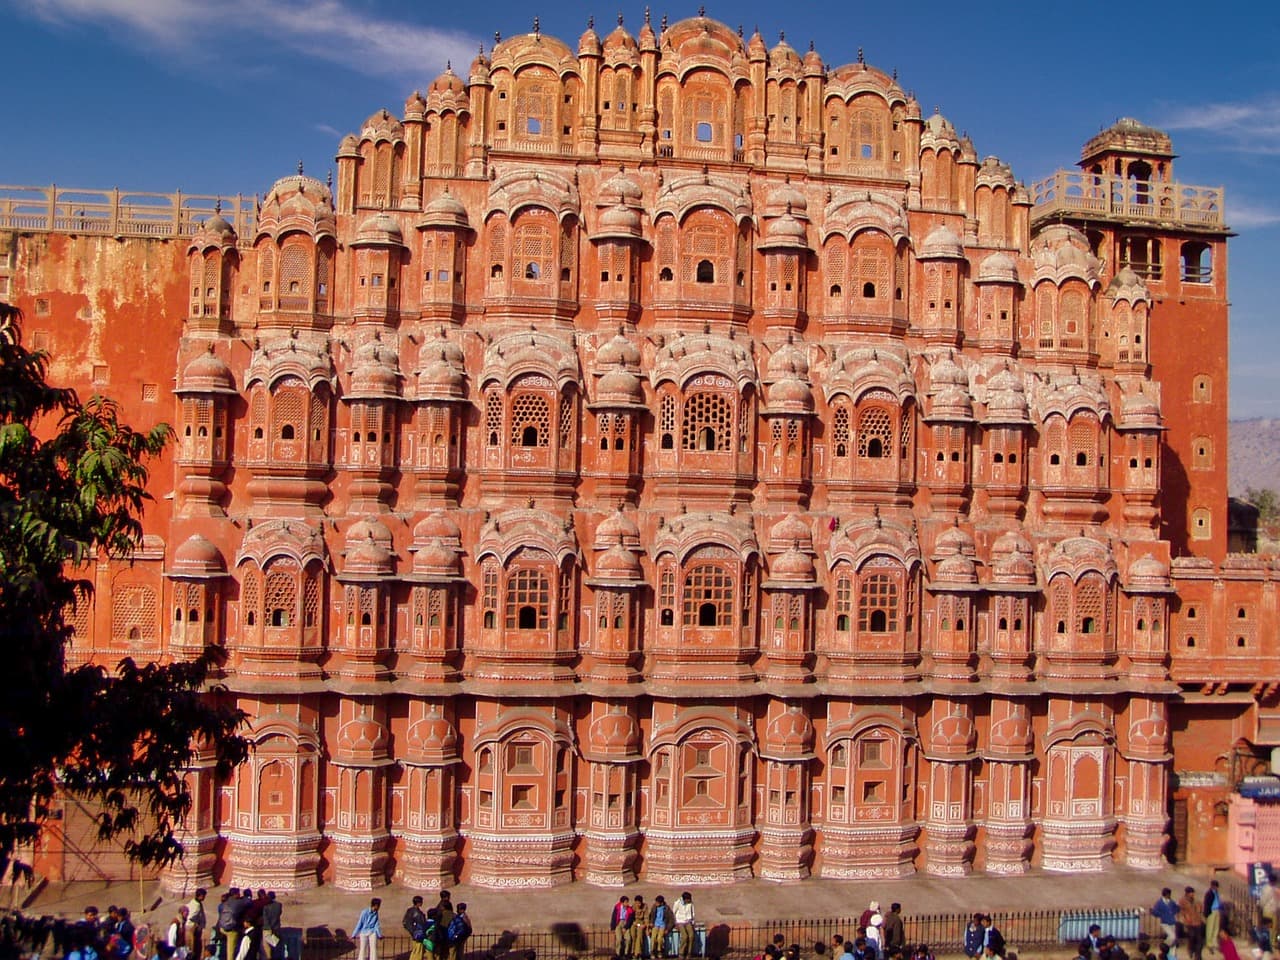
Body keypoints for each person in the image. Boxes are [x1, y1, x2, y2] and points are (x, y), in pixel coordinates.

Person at [1182, 887, 1207, 960]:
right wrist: (1185, 919)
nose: (1192, 894)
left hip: (1197, 922)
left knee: (1200, 940)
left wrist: (1203, 919)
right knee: (1192, 937)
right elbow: (1181, 912)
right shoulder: (1182, 901)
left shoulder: (1197, 901)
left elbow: (1201, 911)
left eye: (1193, 893)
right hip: (1189, 923)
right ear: (1187, 893)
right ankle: (1191, 950)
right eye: (1191, 893)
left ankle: (1198, 956)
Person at [611, 895, 635, 960]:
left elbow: (630, 919)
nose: (627, 903)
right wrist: (612, 927)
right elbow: (614, 917)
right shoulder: (617, 907)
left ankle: (626, 953)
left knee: (628, 939)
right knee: (619, 939)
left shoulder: (630, 909)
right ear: (622, 903)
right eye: (625, 902)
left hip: (626, 923)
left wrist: (626, 927)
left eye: (627, 902)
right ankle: (617, 953)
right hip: (619, 923)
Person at [673, 892, 696, 960]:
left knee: (691, 935)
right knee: (685, 936)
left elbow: (692, 913)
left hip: (688, 921)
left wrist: (692, 922)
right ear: (684, 899)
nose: (689, 901)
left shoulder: (691, 903)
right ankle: (681, 952)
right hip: (680, 921)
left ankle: (689, 952)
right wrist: (675, 923)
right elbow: (673, 912)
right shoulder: (677, 903)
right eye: (688, 899)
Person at [185, 890, 207, 957]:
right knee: (193, 946)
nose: (204, 898)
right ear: (200, 896)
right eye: (204, 896)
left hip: (193, 927)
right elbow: (191, 916)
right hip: (192, 927)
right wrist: (196, 923)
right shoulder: (196, 906)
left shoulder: (194, 902)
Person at [261, 893, 283, 960]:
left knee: (266, 945)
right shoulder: (279, 905)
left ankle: (269, 958)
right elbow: (279, 914)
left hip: (267, 928)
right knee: (275, 944)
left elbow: (265, 918)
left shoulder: (265, 906)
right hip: (276, 927)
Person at [631, 896, 651, 960]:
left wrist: (646, 926)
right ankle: (632, 951)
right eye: (637, 903)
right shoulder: (632, 907)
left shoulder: (645, 907)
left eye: (639, 903)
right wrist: (636, 924)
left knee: (640, 936)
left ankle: (638, 953)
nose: (638, 905)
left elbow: (646, 918)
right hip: (634, 923)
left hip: (641, 923)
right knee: (633, 935)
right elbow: (631, 918)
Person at [1206, 882, 1223, 953]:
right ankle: (1209, 943)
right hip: (1211, 911)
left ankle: (1214, 942)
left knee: (1216, 927)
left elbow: (1218, 901)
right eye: (1215, 886)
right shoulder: (1209, 893)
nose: (1216, 888)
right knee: (1210, 928)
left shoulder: (1216, 893)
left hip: (1217, 910)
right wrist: (1207, 913)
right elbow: (1206, 904)